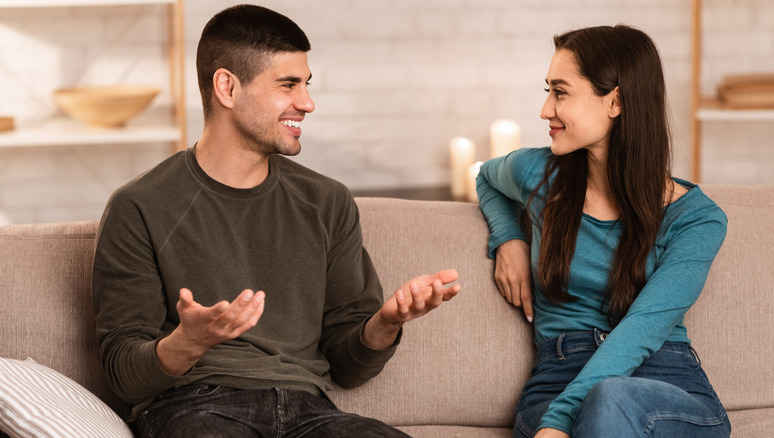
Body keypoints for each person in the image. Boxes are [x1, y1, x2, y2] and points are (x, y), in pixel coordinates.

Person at [92, 5, 460, 437]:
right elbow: (122, 373)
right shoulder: (140, 206)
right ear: (227, 87)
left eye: (306, 85)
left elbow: (348, 368)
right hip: (196, 408)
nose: (307, 103)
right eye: (288, 85)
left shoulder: (327, 202)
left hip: (311, 413)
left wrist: (385, 323)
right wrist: (187, 342)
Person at [476, 25, 730, 438]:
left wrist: (560, 423)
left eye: (560, 92)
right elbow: (486, 178)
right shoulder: (539, 175)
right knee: (605, 403)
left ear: (614, 101)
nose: (545, 111)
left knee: (610, 399)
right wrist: (509, 239)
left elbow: (643, 328)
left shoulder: (696, 219)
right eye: (548, 91)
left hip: (665, 384)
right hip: (558, 377)